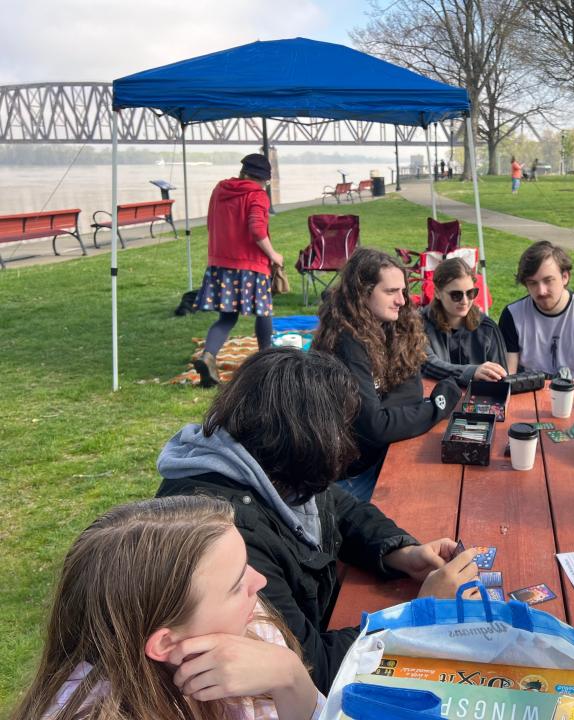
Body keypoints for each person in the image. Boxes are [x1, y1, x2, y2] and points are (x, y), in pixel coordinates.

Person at [157, 348, 479, 695]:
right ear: (304, 436)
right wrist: (419, 615)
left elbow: (340, 507)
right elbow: (311, 668)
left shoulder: (266, 459)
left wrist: (401, 551)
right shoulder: (229, 534)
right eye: (341, 430)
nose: (348, 445)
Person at [11, 495, 324, 720]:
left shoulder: (252, 628)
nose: (259, 583)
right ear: (166, 643)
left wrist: (290, 676)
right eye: (237, 584)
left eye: (246, 566)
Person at [312, 248, 460, 500]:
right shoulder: (347, 341)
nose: (402, 301)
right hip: (347, 480)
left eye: (402, 291)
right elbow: (376, 427)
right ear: (362, 293)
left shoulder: (391, 327)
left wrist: (388, 412)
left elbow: (410, 395)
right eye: (391, 292)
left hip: (381, 456)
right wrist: (438, 405)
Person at [193, 153, 283, 387]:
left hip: (220, 264)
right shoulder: (257, 195)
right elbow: (256, 229)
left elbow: (212, 221)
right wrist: (273, 255)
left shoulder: (220, 189)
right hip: (250, 264)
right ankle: (266, 359)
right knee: (264, 313)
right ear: (263, 178)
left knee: (227, 316)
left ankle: (208, 356)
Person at [498, 241, 574, 387]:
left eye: (548, 280)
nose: (541, 291)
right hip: (525, 389)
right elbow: (509, 375)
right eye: (532, 283)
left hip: (573, 388)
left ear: (565, 277)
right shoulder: (512, 314)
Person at [422, 257, 508, 387]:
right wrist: (472, 372)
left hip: (479, 402)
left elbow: (502, 378)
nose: (465, 301)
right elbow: (427, 364)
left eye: (471, 293)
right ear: (438, 293)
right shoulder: (418, 323)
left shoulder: (488, 328)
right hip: (432, 400)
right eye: (456, 295)